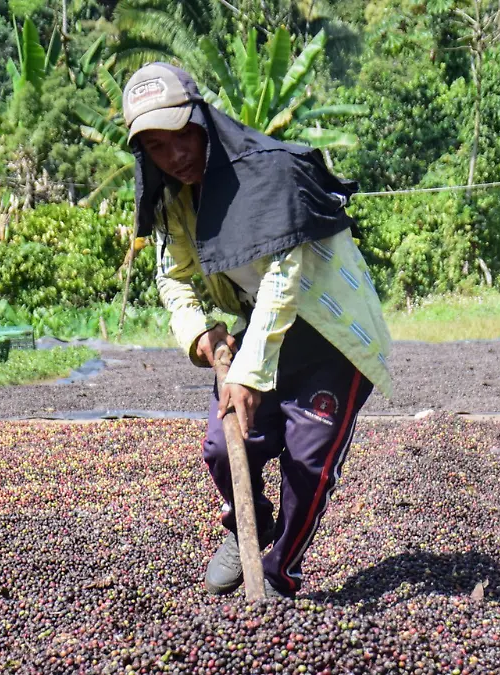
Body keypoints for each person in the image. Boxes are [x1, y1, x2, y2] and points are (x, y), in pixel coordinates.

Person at [121, 62, 393, 599]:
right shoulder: (175, 202)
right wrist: (200, 335)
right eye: (156, 147)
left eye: (182, 136)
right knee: (225, 446)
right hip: (261, 334)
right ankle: (246, 524)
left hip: (331, 336)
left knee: (308, 466)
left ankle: (278, 570)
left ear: (202, 120)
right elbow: (173, 279)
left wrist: (247, 373)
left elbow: (282, 283)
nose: (175, 155)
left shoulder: (270, 174)